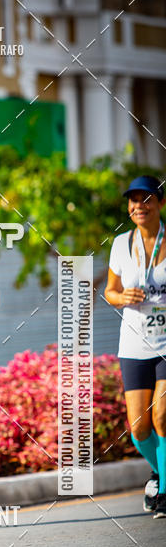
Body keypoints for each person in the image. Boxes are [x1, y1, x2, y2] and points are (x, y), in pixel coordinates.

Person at [105, 174, 166, 517]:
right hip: (134, 343)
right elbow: (110, 291)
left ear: (160, 203)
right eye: (133, 200)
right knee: (139, 427)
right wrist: (122, 297)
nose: (139, 206)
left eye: (147, 199)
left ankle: (165, 492)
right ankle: (159, 471)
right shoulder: (120, 244)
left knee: (162, 416)